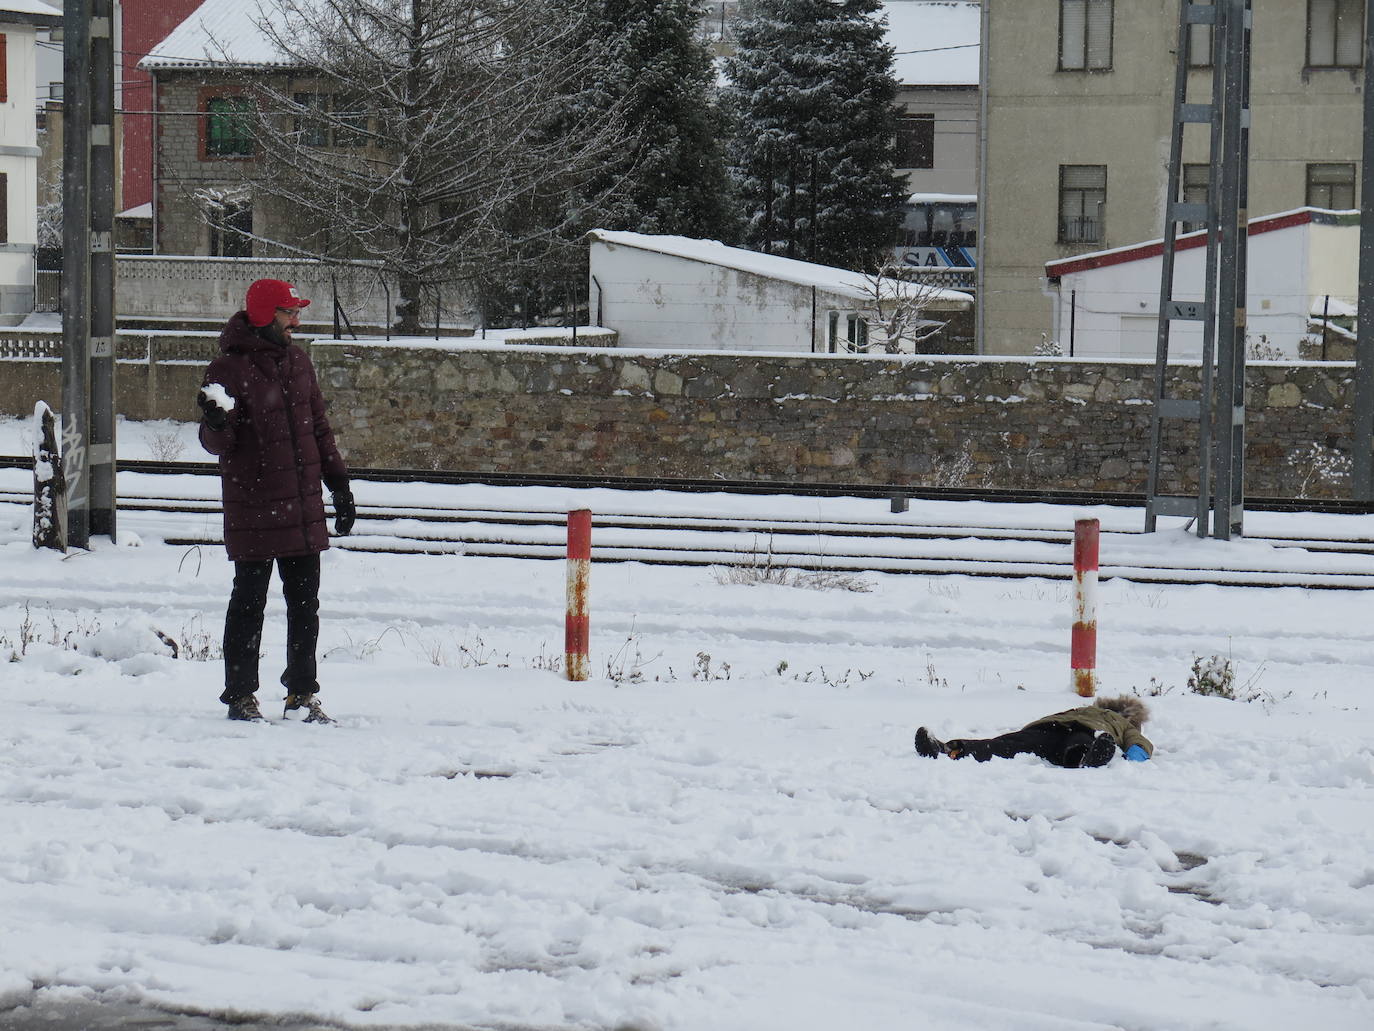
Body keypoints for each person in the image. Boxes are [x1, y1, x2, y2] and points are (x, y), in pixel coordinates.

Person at [197, 279, 357, 723]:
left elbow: (319, 431)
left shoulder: (299, 363)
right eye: (290, 313)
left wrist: (339, 487)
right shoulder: (226, 370)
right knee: (248, 602)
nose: (297, 321)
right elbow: (217, 443)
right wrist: (214, 422)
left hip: (302, 508)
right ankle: (241, 695)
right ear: (267, 316)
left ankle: (301, 694)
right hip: (254, 506)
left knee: (305, 604)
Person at [914, 695, 1153, 768]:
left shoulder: (1121, 724)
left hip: (1087, 734)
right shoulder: (1081, 709)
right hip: (1050, 731)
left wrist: (1133, 756)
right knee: (1008, 743)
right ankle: (948, 749)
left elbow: (1140, 744)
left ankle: (1087, 756)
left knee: (1083, 740)